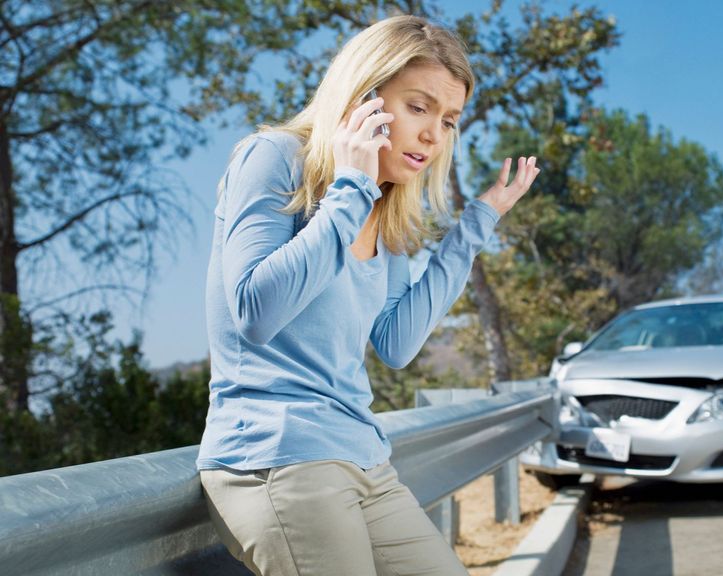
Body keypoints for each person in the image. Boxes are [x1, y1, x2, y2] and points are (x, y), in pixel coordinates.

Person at [196, 14, 540, 576]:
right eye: (418, 107)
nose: (434, 135)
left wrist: (478, 223)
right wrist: (351, 188)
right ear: (364, 97)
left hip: (365, 462)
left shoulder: (385, 207)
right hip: (278, 459)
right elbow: (253, 312)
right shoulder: (276, 159)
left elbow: (398, 343)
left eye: (449, 120)